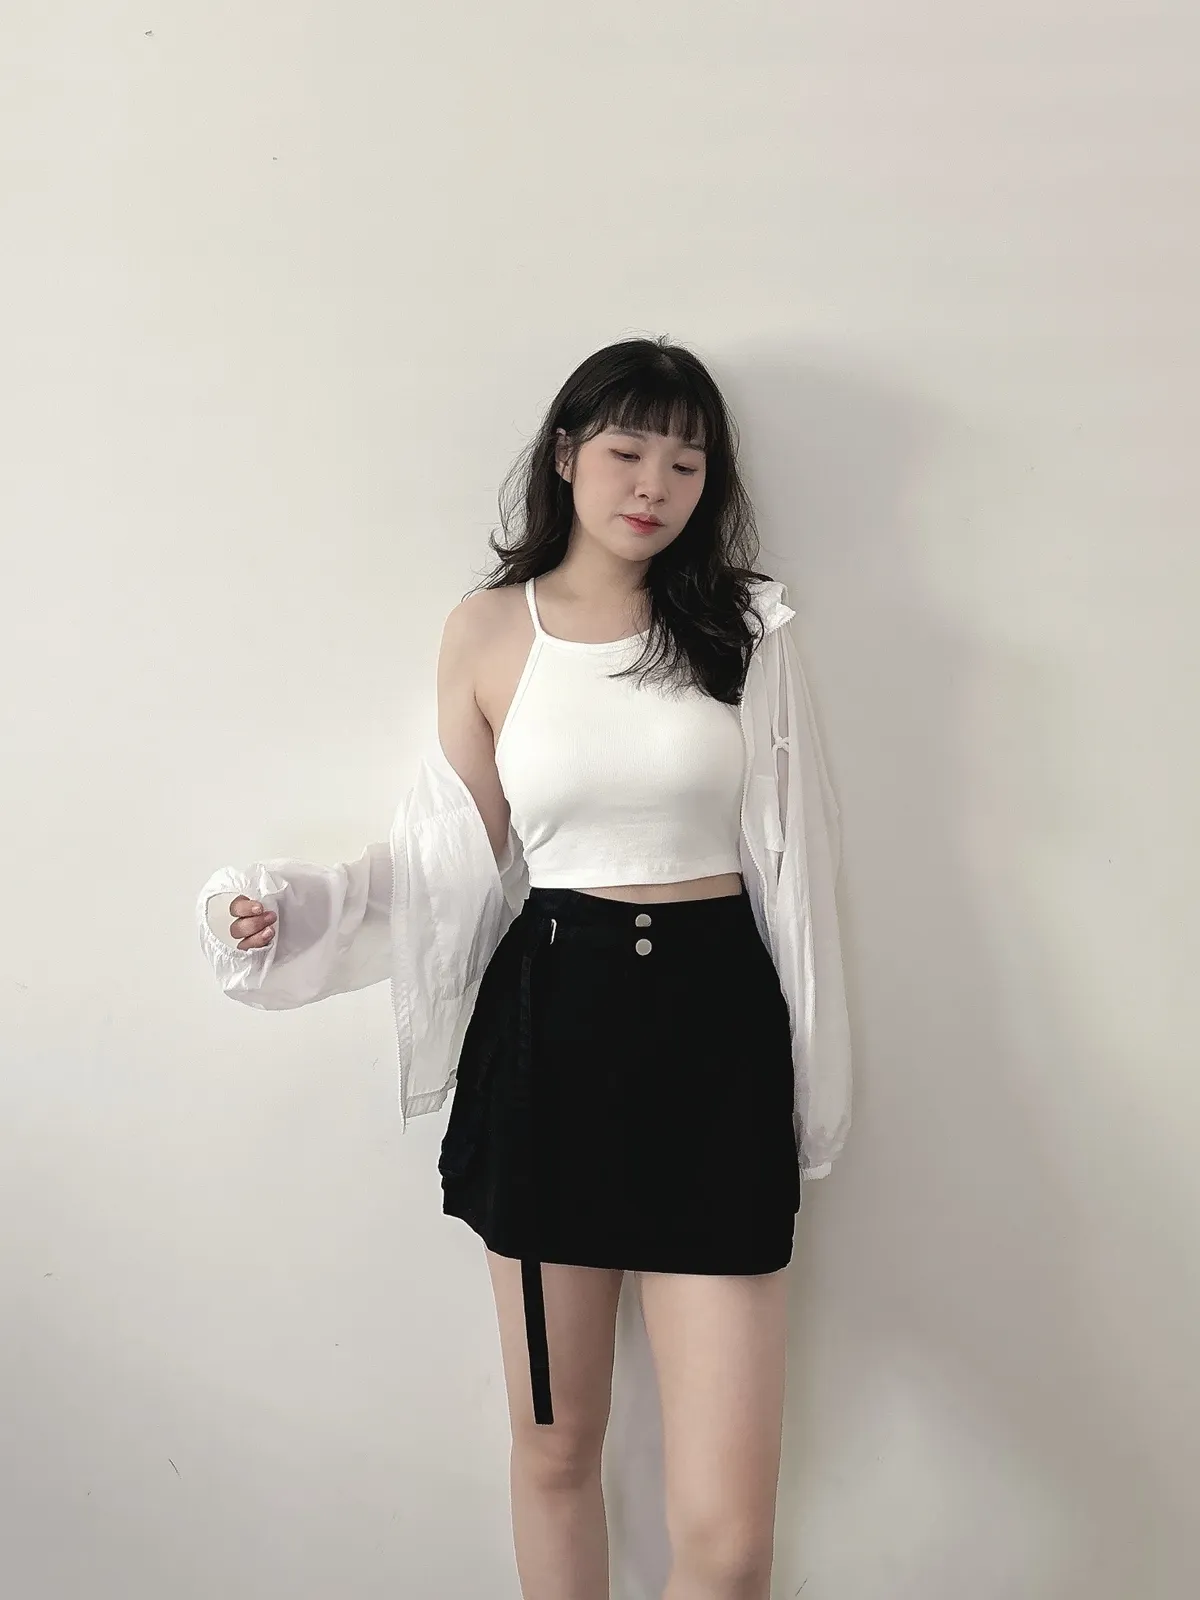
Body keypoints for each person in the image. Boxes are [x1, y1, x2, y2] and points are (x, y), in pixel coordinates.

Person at [197, 335, 851, 1600]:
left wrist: (817, 1089)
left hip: (716, 1041)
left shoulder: (744, 628)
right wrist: (295, 905)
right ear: (565, 455)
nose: (653, 483)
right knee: (557, 1449)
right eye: (626, 450)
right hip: (556, 1033)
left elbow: (801, 867)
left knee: (728, 1544)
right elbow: (448, 862)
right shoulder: (491, 629)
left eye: (686, 461)